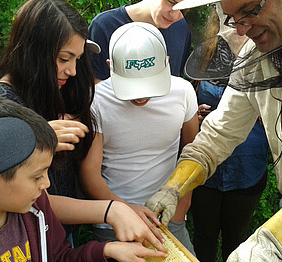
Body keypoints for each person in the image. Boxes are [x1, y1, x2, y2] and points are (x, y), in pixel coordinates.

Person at [146, 0, 282, 261]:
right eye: (232, 17)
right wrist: (173, 188)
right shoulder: (255, 51)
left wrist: (271, 242)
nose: (240, 30)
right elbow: (221, 131)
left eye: (248, 11)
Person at [0, 0, 166, 250]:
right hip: (25, 240)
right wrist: (112, 210)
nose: (72, 71)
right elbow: (38, 198)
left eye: (78, 60)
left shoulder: (50, 90)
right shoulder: (2, 105)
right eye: (64, 59)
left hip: (59, 233)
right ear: (33, 50)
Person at [0, 101, 168, 261]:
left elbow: (60, 256)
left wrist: (106, 250)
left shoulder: (37, 208)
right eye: (37, 177)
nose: (46, 185)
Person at [79, 22, 199, 254]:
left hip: (169, 217)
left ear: (166, 63)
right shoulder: (98, 101)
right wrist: (125, 211)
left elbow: (193, 156)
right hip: (114, 220)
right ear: (110, 67)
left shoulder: (183, 92)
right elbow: (89, 176)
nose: (142, 96)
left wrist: (183, 205)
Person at [189, 9, 269, 262]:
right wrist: (195, 114)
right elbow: (188, 97)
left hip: (248, 166)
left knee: (238, 239)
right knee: (204, 236)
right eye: (233, 21)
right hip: (207, 171)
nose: (240, 29)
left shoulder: (267, 51)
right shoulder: (205, 53)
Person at [88, 0, 191, 83]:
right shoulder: (103, 26)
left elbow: (177, 81)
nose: (174, 15)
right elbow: (98, 90)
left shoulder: (183, 27)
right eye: (171, 2)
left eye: (184, 9)